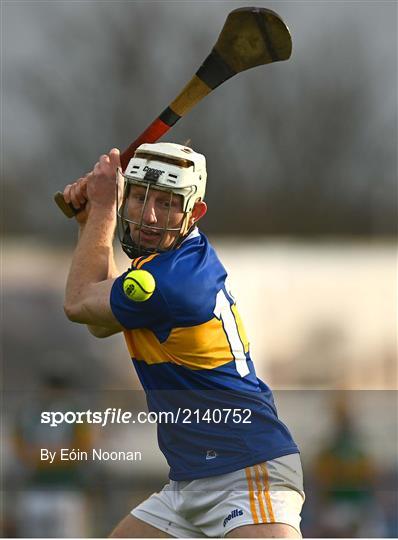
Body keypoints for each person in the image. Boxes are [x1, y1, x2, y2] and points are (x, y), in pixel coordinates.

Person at [63, 143, 305, 538]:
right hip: (189, 481)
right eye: (139, 196)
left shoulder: (173, 283)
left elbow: (77, 303)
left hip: (247, 473)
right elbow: (100, 321)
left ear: (195, 213)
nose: (150, 215)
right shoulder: (166, 263)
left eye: (168, 203)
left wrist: (103, 209)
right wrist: (91, 220)